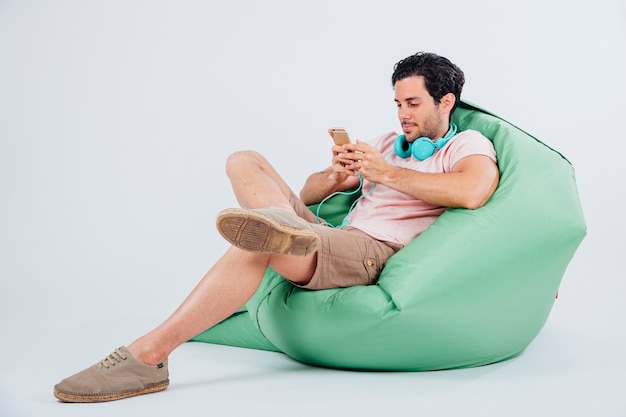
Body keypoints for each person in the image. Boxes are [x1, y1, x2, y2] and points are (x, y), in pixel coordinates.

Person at [53, 51, 499, 403]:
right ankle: (280, 229)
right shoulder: (387, 143)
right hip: (331, 235)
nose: (402, 113)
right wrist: (335, 176)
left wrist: (383, 174)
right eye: (398, 103)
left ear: (446, 101)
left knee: (254, 243)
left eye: (413, 103)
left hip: (372, 251)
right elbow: (307, 195)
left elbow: (473, 191)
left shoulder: (466, 143)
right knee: (242, 160)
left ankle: (147, 357)